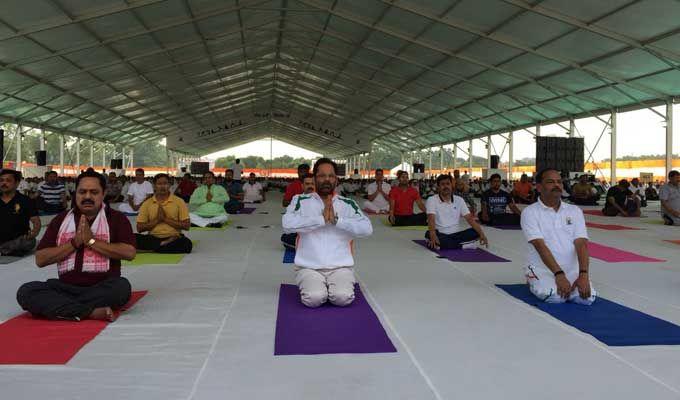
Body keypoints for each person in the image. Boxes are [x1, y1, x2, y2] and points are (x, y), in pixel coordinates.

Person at [16, 170, 136, 321]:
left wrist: (92, 241)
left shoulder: (117, 219)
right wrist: (74, 243)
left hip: (103, 287)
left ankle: (66, 309)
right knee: (26, 291)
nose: (87, 197)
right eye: (82, 192)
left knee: (121, 288)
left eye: (94, 192)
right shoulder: (61, 219)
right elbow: (41, 259)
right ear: (75, 194)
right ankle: (90, 312)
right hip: (65, 288)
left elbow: (129, 253)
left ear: (103, 194)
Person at [282, 158, 372, 308]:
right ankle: (316, 285)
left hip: (340, 267)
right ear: (315, 178)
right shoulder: (300, 200)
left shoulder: (347, 204)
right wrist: (320, 219)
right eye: (322, 176)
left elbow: (367, 229)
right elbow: (287, 224)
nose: (326, 180)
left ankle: (333, 285)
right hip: (308, 267)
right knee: (313, 299)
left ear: (336, 179)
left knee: (342, 298)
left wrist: (338, 221)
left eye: (331, 176)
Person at [520, 168, 596, 305]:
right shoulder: (530, 212)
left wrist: (583, 274)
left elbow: (581, 244)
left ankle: (568, 281)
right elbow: (539, 245)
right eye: (550, 182)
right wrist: (559, 275)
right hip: (543, 268)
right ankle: (532, 278)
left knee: (586, 298)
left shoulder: (574, 211)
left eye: (559, 182)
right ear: (538, 187)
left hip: (571, 270)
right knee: (555, 297)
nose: (556, 185)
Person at [425, 174, 488, 250]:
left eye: (448, 184)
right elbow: (431, 219)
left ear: (452, 185)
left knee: (476, 231)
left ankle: (447, 244)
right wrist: (433, 235)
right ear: (438, 187)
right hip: (440, 233)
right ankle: (464, 246)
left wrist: (482, 234)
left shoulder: (459, 200)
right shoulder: (432, 200)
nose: (445, 187)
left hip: (456, 234)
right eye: (442, 184)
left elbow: (470, 219)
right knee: (430, 235)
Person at [135, 174, 192, 254]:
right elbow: (139, 228)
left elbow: (186, 226)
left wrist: (165, 219)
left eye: (165, 184)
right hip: (153, 237)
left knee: (187, 244)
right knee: (130, 238)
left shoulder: (179, 201)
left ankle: (153, 248)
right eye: (159, 184)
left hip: (174, 237)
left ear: (169, 185)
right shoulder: (147, 203)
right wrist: (157, 220)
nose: (162, 186)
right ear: (154, 186)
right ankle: (162, 245)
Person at [0, 169, 41, 256]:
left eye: (8, 181)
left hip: (19, 240)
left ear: (17, 183)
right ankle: (6, 249)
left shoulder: (25, 200)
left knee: (29, 242)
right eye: (1, 180)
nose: (4, 183)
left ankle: (5, 248)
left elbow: (36, 222)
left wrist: (33, 233)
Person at [281, 174, 315, 249]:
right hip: (302, 232)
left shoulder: (322, 200)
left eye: (312, 184)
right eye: (307, 184)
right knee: (286, 237)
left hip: (318, 234)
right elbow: (287, 223)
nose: (310, 186)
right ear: (302, 186)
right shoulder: (296, 199)